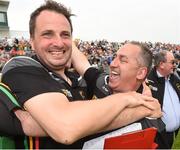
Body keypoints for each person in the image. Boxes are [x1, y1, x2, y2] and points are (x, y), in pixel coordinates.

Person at [1, 0, 161, 149]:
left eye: (65, 34)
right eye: (47, 34)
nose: (58, 42)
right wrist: (131, 102)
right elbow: (66, 128)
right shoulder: (22, 66)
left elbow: (81, 61)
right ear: (32, 40)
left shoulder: (79, 80)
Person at [72, 41, 166, 149]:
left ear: (140, 73)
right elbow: (81, 62)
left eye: (123, 60)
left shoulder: (150, 114)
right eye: (115, 57)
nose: (112, 64)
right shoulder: (101, 81)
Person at [147, 50, 180, 149]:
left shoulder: (174, 78)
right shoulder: (147, 82)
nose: (175, 65)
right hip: (159, 136)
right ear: (161, 64)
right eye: (172, 62)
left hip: (174, 133)